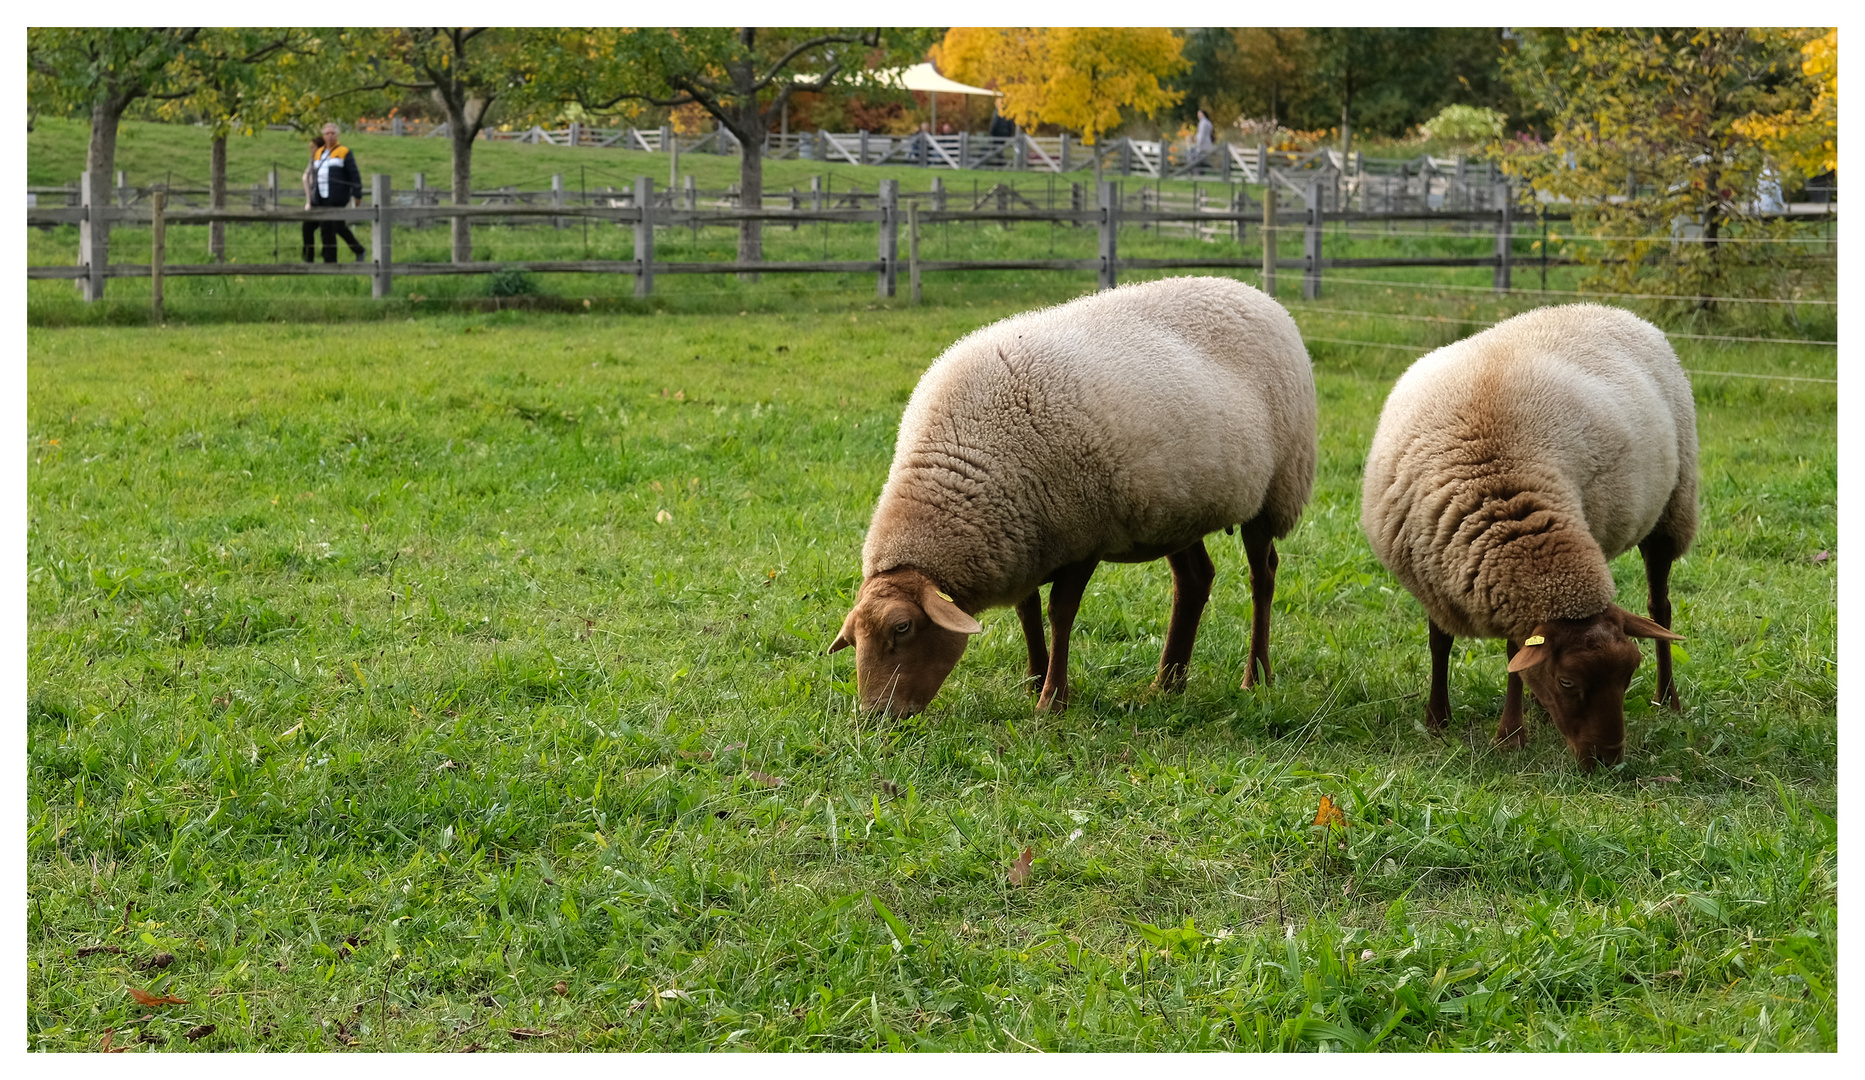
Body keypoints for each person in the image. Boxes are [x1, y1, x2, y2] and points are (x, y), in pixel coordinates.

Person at [302, 121, 365, 263]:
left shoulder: (344, 152)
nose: (330, 136)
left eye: (332, 133)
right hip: (321, 196)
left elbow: (353, 174)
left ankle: (350, 253)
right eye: (327, 133)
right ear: (323, 136)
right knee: (327, 227)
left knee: (335, 226)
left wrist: (357, 193)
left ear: (337, 135)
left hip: (337, 196)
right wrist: (311, 197)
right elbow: (314, 175)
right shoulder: (318, 153)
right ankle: (331, 260)